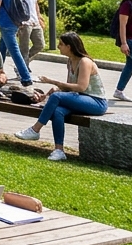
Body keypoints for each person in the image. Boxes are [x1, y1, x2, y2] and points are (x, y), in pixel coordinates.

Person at [16, 32, 110, 160]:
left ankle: (35, 130)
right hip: (80, 98)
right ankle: (59, 150)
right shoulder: (70, 61)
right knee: (58, 111)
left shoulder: (85, 62)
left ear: (69, 46)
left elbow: (81, 87)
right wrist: (47, 94)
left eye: (61, 44)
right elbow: (69, 87)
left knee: (57, 97)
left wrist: (52, 81)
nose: (59, 47)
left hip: (97, 102)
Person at [17, 0, 45, 69]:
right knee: (24, 48)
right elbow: (15, 6)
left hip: (34, 22)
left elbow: (35, 4)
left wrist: (39, 17)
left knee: (40, 44)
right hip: (24, 23)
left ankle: (22, 63)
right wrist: (18, 21)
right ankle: (23, 69)